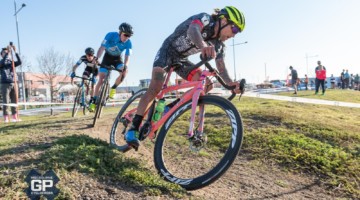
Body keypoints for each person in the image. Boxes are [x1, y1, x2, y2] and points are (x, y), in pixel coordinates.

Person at [124, 6, 245, 150]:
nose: (234, 35)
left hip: (181, 59)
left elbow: (221, 67)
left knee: (205, 84)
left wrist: (231, 84)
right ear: (224, 20)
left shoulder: (219, 45)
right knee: (155, 87)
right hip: (167, 52)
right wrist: (203, 46)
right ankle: (133, 128)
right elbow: (193, 30)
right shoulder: (206, 19)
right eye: (235, 29)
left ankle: (169, 109)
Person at [91, 23, 133, 110]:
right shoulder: (110, 35)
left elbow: (127, 56)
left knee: (125, 71)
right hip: (107, 57)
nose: (127, 37)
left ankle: (113, 88)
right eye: (125, 35)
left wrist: (126, 66)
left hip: (117, 59)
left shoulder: (129, 43)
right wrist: (97, 58)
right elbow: (102, 47)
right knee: (101, 78)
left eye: (129, 36)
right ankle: (94, 99)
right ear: (120, 32)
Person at [0, 45, 22, 122]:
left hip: (14, 82)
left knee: (14, 100)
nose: (6, 53)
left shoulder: (11, 62)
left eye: (7, 52)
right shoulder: (1, 62)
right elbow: (2, 62)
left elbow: (20, 62)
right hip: (5, 83)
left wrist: (15, 52)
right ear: (1, 54)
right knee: (6, 101)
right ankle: (6, 118)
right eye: (4, 53)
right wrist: (7, 53)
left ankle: (14, 117)